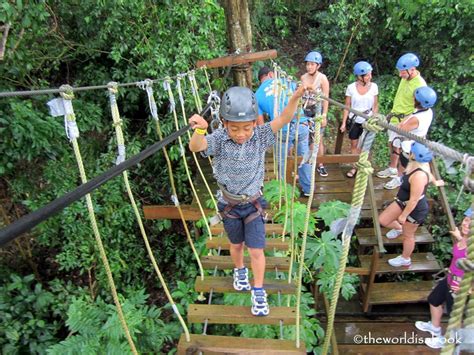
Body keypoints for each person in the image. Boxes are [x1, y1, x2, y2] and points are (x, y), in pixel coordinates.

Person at [189, 84, 307, 316]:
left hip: (253, 204)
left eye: (246, 128)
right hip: (229, 205)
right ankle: (240, 270)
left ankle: (259, 290)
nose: (241, 134)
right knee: (236, 245)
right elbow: (196, 147)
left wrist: (294, 97)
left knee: (256, 250)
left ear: (255, 122)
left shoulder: (260, 137)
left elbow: (284, 118)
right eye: (234, 128)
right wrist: (201, 130)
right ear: (224, 123)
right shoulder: (220, 138)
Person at [378, 142, 444, 267]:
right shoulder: (414, 166)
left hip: (414, 208)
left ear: (414, 155)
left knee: (408, 235)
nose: (407, 153)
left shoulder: (419, 175)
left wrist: (403, 216)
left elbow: (414, 200)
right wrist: (436, 182)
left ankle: (405, 258)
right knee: (383, 220)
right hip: (402, 201)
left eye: (409, 152)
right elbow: (430, 176)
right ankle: (398, 228)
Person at [415, 207, 472, 349]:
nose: (466, 224)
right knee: (434, 300)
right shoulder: (464, 239)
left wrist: (469, 289)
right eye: (466, 220)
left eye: (471, 223)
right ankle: (435, 327)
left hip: (460, 287)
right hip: (449, 279)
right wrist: (459, 237)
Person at [255, 66, 312, 196]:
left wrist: (267, 140)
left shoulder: (257, 94)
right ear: (271, 74)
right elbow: (302, 90)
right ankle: (308, 189)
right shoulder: (286, 82)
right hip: (301, 122)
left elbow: (261, 123)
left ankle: (282, 190)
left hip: (282, 129)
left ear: (261, 79)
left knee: (281, 160)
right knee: (304, 158)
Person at [376, 53, 427, 189]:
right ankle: (392, 168)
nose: (400, 75)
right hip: (395, 116)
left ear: (412, 69)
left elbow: (420, 107)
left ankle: (399, 177)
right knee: (393, 144)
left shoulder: (420, 85)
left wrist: (405, 122)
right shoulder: (406, 78)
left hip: (407, 121)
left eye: (402, 72)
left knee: (404, 150)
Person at [340, 61, 379, 177]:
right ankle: (354, 167)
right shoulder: (351, 88)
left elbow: (375, 105)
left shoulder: (374, 87)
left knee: (365, 146)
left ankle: (361, 165)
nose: (370, 77)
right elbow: (347, 106)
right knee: (354, 145)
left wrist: (374, 118)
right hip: (355, 119)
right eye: (367, 75)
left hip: (368, 120)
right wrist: (343, 123)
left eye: (370, 74)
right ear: (359, 76)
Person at [392, 86, 437, 182]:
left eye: (414, 98)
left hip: (409, 147)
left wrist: (400, 124)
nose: (412, 99)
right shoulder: (427, 111)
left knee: (404, 168)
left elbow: (399, 130)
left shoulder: (416, 119)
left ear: (419, 102)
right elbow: (411, 115)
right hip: (418, 144)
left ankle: (400, 184)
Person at [301, 51, 330, 177]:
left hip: (317, 111)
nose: (309, 67)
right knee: (306, 139)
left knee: (318, 139)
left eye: (312, 64)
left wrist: (324, 115)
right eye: (308, 64)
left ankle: (320, 164)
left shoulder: (322, 78)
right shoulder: (303, 78)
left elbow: (326, 98)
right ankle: (308, 163)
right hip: (305, 110)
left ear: (318, 66)